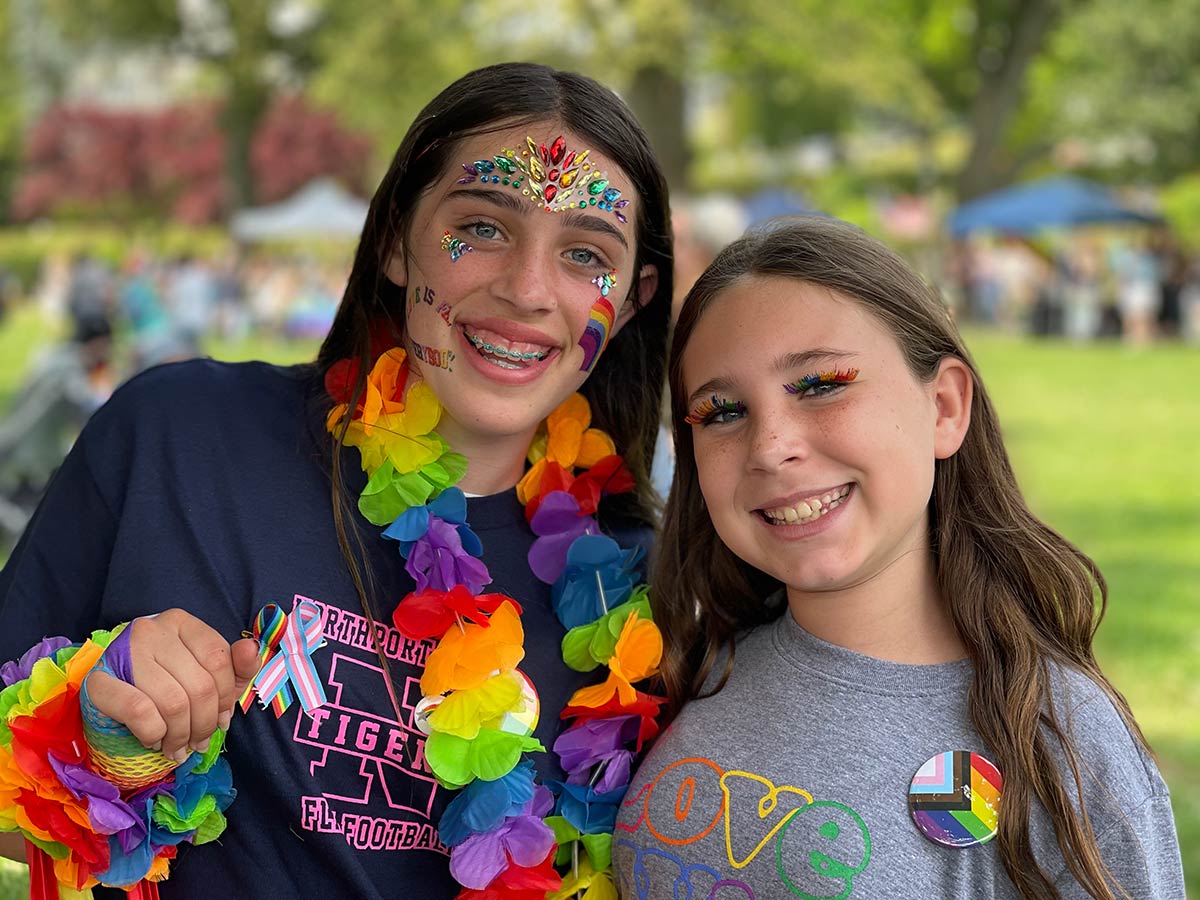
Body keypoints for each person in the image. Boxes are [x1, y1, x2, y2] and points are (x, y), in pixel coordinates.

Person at [0, 62, 672, 899]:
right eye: (483, 227)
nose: (529, 290)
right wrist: (103, 743)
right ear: (394, 239)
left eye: (584, 254)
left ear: (636, 298)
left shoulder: (644, 593)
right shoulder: (179, 436)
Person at [614, 218, 1184, 899]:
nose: (770, 446)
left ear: (944, 406)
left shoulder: (1059, 738)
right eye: (724, 410)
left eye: (821, 383)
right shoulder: (688, 662)